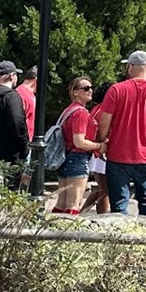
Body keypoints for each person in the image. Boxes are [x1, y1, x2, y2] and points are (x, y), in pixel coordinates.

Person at [95, 50, 146, 215]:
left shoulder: (116, 90)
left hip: (118, 154)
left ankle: (120, 231)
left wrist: (101, 143)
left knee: (119, 204)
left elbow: (104, 121)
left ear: (130, 67)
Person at [52, 76, 102, 214]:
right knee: (73, 205)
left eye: (91, 88)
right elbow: (79, 141)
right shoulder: (80, 113)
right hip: (77, 158)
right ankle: (69, 227)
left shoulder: (69, 110)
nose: (90, 90)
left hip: (65, 157)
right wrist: (99, 146)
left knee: (61, 203)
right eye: (86, 88)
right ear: (75, 92)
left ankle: (53, 227)